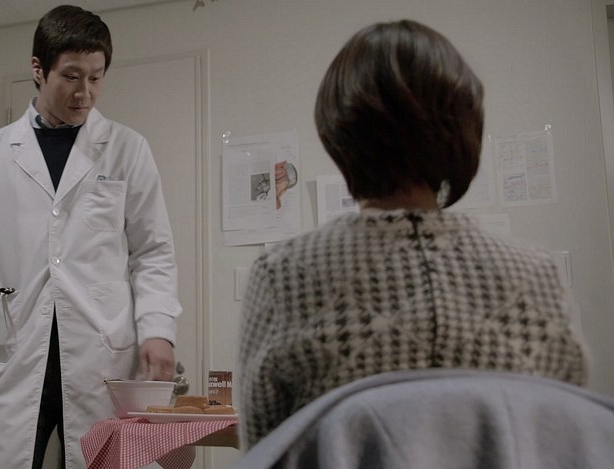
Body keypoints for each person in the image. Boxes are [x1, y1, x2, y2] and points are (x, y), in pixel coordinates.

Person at [236, 19, 588, 448]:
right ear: (464, 129)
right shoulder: (536, 275)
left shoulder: (283, 275)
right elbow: (567, 439)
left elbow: (265, 448)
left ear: (338, 131)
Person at [0, 5, 182, 469]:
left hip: (102, 354)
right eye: (71, 76)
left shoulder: (128, 150)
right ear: (38, 69)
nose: (85, 93)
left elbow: (153, 252)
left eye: (96, 78)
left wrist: (158, 330)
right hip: (19, 349)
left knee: (101, 458)